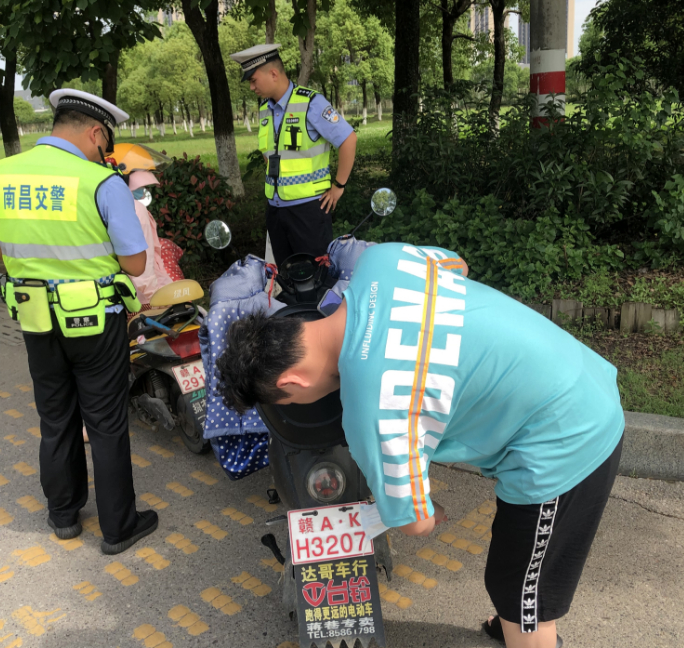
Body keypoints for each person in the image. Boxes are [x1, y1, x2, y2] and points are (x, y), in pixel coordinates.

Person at [215, 242, 625, 648]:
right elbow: (457, 265)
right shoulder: (381, 262)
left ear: (291, 383)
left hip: (566, 439)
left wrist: (431, 510)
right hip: (578, 373)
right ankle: (511, 623)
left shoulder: (371, 410)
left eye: (286, 400)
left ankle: (525, 629)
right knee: (511, 569)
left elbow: (415, 522)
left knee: (522, 593)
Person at [0, 89, 159, 555]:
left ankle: (64, 515)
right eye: (104, 143)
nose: (103, 153)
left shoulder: (6, 173)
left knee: (55, 417)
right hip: (94, 322)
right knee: (105, 422)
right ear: (94, 132)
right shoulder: (100, 182)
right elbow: (135, 263)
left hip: (35, 318)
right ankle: (118, 528)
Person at [229, 44, 358, 267]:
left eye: (253, 80)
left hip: (308, 211)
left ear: (273, 74)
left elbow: (348, 139)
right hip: (276, 210)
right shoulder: (265, 109)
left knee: (315, 278)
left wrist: (339, 186)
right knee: (286, 276)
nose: (251, 87)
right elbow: (270, 153)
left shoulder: (310, 103)